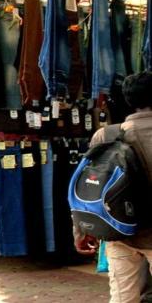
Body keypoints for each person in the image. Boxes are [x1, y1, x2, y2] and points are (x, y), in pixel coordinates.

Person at [73, 71, 152, 303]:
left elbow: (86, 186)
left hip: (118, 232)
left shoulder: (105, 135)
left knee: (122, 297)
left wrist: (81, 229)